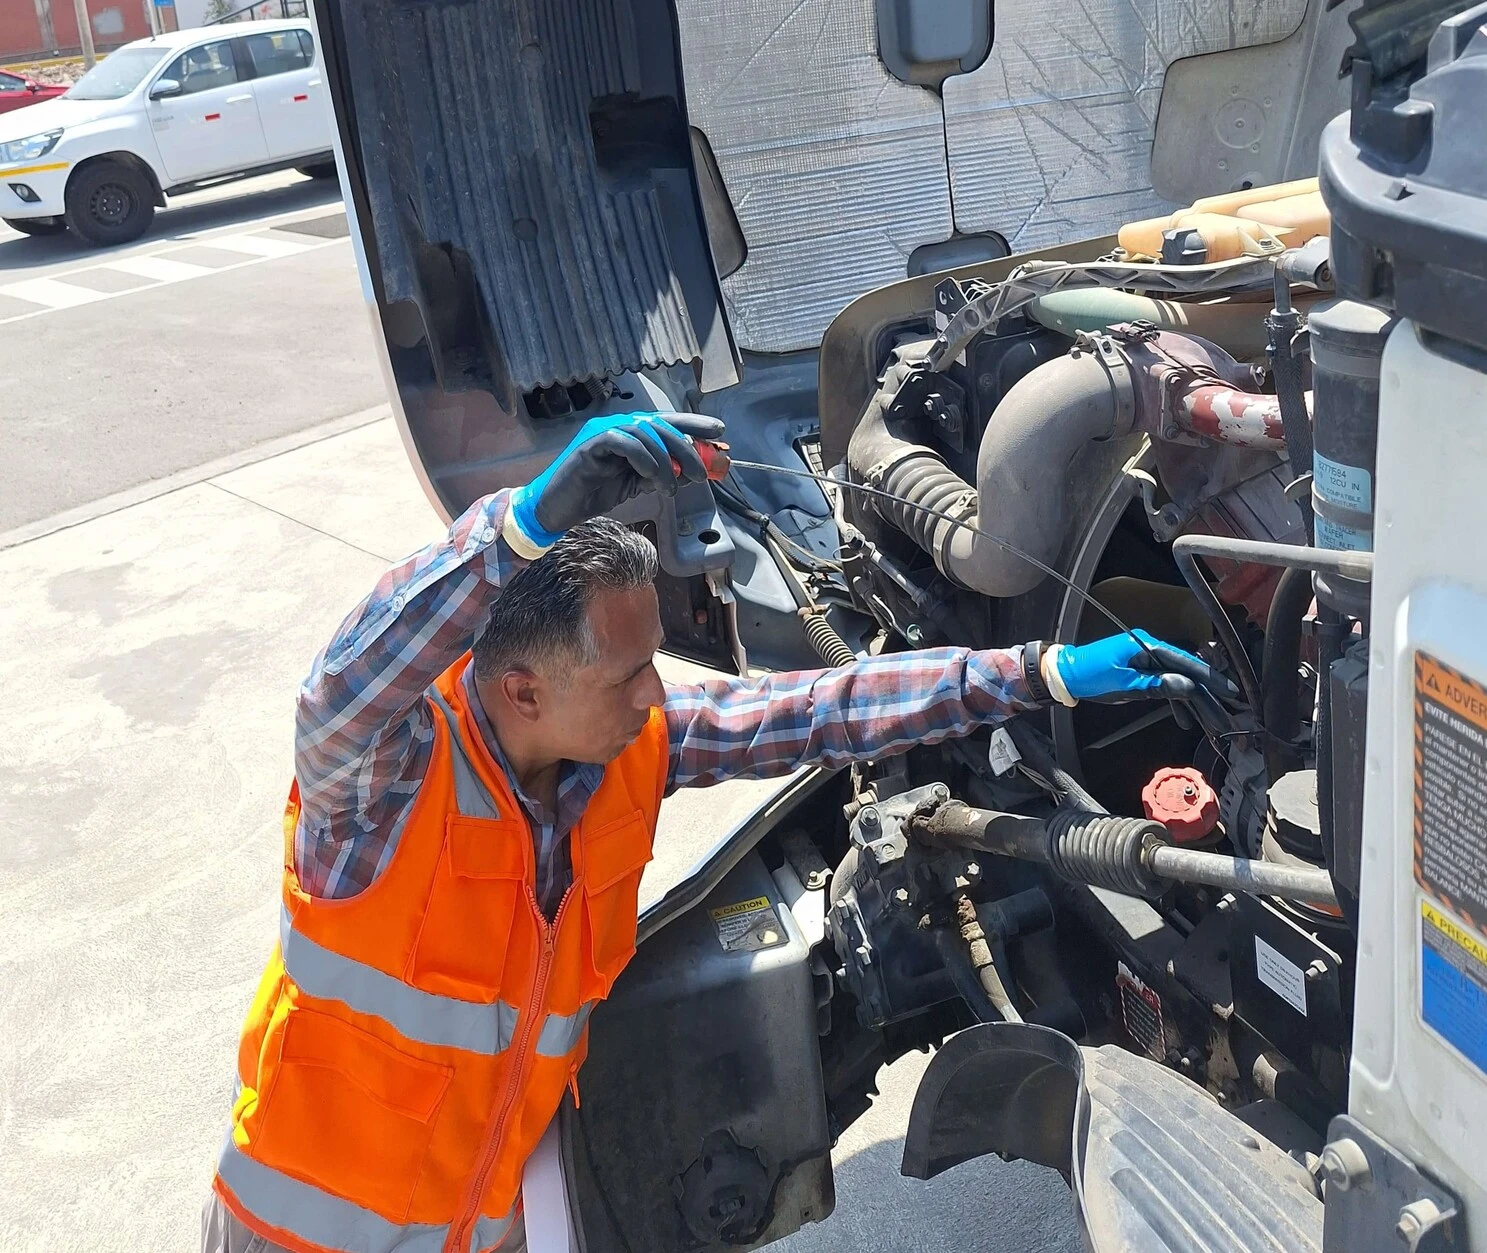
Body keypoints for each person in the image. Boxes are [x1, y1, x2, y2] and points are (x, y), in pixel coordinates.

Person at [202, 412, 1199, 1253]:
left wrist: (1032, 673)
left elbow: (817, 708)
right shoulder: (380, 790)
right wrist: (517, 526)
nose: (656, 696)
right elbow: (345, 680)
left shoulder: (624, 753)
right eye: (626, 675)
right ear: (521, 688)